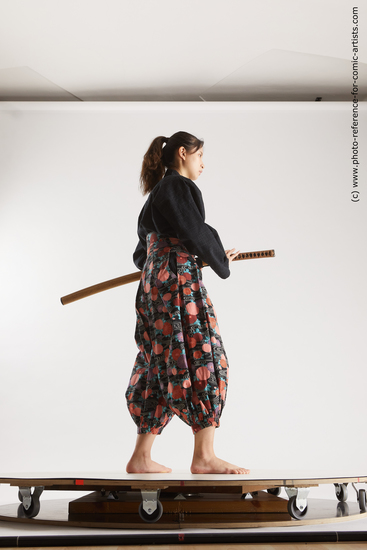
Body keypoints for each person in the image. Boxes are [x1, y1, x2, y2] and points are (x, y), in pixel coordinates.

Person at [125, 131, 249, 475]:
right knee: (201, 352)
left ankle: (141, 457)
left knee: (159, 358)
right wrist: (214, 258)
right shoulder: (177, 186)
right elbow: (195, 231)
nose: (202, 164)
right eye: (200, 157)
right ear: (183, 153)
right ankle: (204, 456)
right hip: (176, 280)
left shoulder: (155, 196)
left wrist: (201, 255)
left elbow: (144, 252)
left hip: (154, 282)